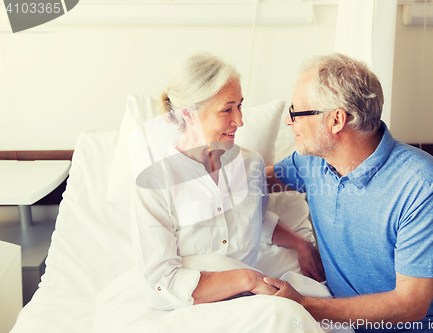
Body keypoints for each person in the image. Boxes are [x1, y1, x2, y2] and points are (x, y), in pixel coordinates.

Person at [264, 53, 433, 332]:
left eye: (296, 111)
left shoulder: (423, 186)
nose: (288, 121)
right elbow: (259, 183)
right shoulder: (313, 161)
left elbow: (410, 305)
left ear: (336, 121)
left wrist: (302, 304)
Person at [130, 51, 324, 311]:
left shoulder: (250, 164)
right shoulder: (154, 184)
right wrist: (245, 279)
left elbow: (255, 219)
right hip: (189, 308)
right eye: (227, 109)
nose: (240, 121)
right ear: (188, 114)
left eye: (240, 106)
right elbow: (159, 285)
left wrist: (302, 244)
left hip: (250, 299)